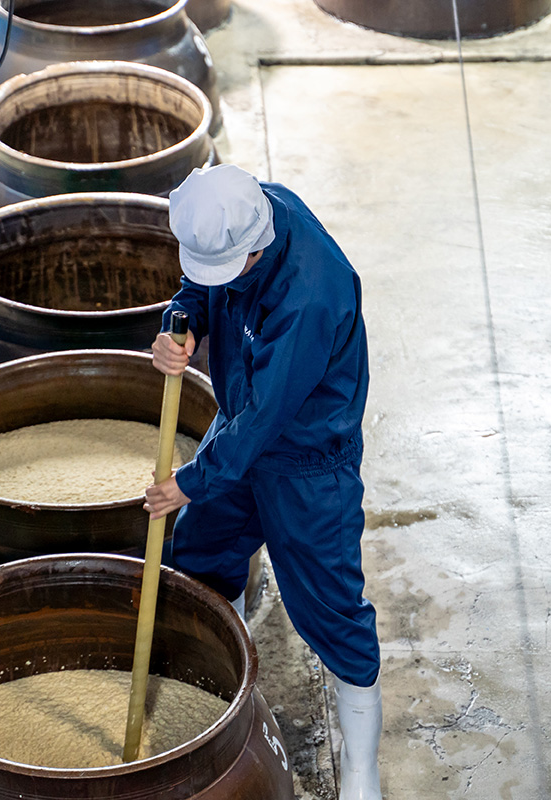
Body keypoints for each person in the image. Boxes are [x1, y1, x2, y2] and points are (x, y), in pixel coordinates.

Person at [145, 164, 381, 800]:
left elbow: (263, 420)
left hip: (307, 460)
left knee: (330, 607)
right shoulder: (243, 210)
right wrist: (181, 321)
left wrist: (190, 481)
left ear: (253, 247)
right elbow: (202, 284)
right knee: (200, 551)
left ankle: (361, 769)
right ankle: (230, 678)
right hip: (241, 429)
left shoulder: (311, 293)